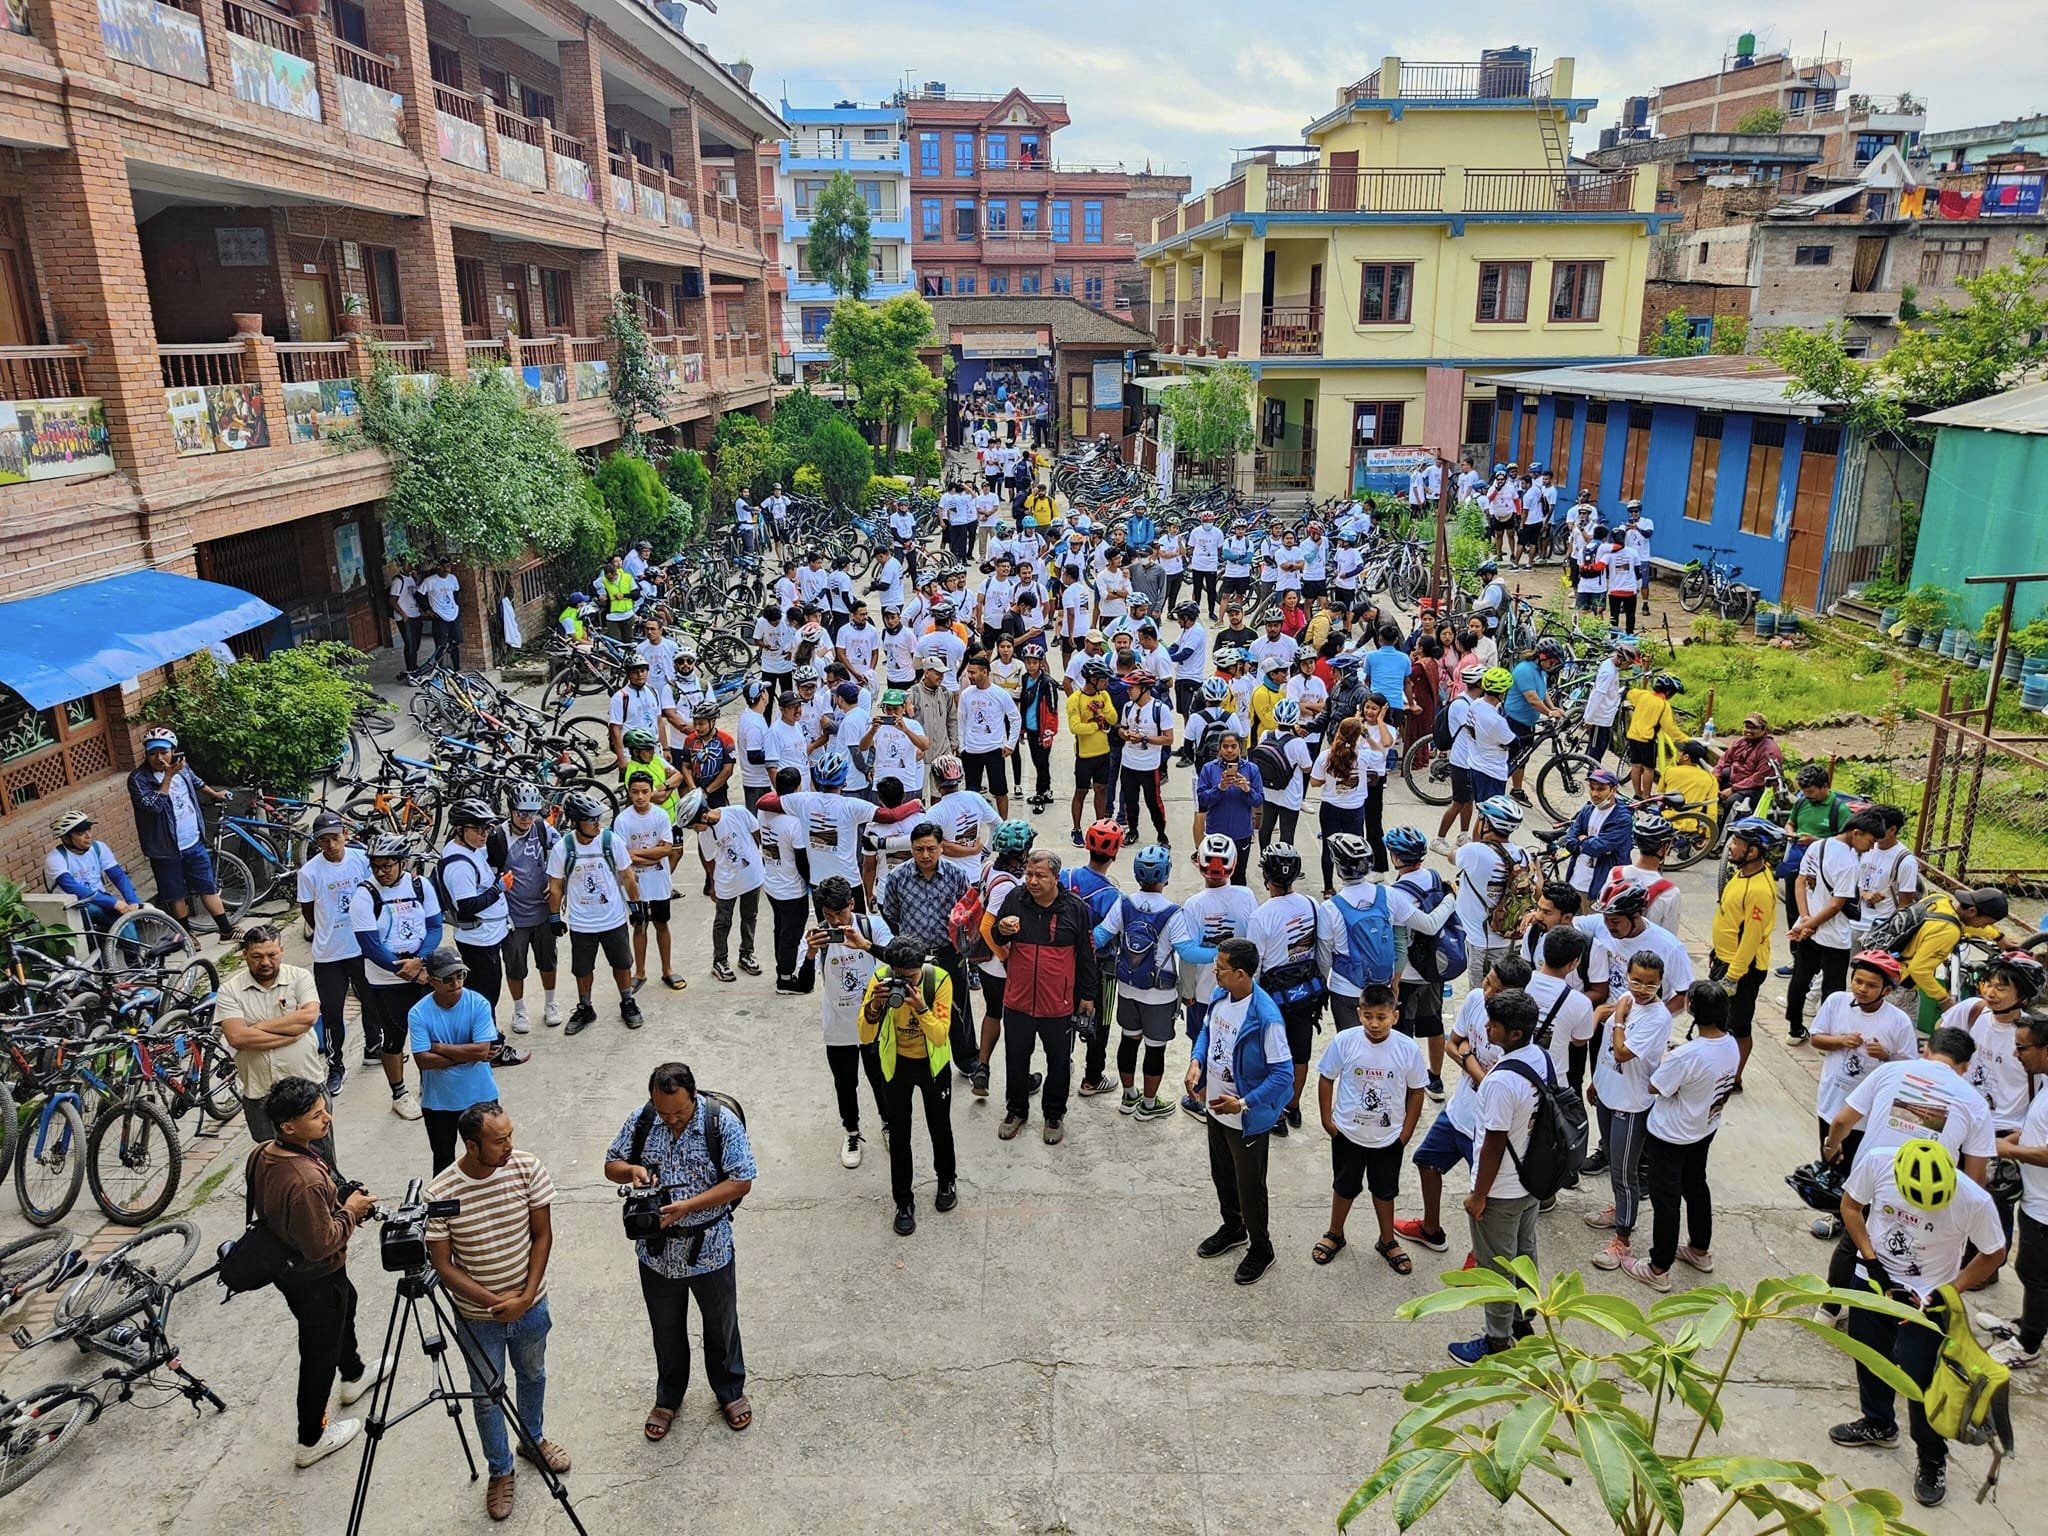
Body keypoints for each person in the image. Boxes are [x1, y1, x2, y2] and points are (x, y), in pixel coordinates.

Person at [1830, 1139, 2006, 1509]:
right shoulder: (1878, 1162)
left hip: (1926, 1301)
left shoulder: (1973, 1199)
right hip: (1874, 1282)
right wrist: (1870, 1257)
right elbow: (1850, 1206)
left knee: (1921, 1383)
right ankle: (1878, 1423)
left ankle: (1931, 1458)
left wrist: (1951, 1290)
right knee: (1869, 1355)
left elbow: (1994, 1253)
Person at [426, 1101, 566, 1519]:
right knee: (487, 1396)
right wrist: (494, 1303)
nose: (509, 1145)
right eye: (499, 1139)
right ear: (472, 1145)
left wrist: (523, 1298)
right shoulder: (441, 1192)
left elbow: (542, 1236)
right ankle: (500, 1469)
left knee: (533, 1374)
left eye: (510, 1135)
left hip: (531, 1306)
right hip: (476, 1319)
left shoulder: (526, 1168)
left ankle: (533, 1438)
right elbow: (441, 1263)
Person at [605, 1062, 757, 1440]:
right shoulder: (643, 1118)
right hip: (656, 1252)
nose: (670, 1119)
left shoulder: (720, 1123)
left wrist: (689, 1206)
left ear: (694, 1096)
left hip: (710, 1246)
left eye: (679, 1112)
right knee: (666, 1330)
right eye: (663, 1112)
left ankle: (729, 1391)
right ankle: (669, 1397)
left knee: (721, 1325)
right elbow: (611, 1164)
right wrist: (632, 1171)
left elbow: (741, 1181)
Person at [246, 1076, 388, 1467]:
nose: (327, 1118)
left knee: (348, 1305)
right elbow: (320, 1243)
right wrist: (351, 1211)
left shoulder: (266, 1152)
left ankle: (355, 1373)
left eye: (324, 1108)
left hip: (289, 1270)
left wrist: (338, 1199)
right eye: (315, 1115)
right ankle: (311, 1438)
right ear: (288, 1126)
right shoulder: (304, 1180)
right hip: (314, 1273)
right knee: (317, 1353)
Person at [1448, 986, 1551, 1363]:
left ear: (1515, 1034)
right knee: (1525, 1253)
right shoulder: (1539, 1058)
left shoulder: (1499, 1082)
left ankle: (1495, 1340)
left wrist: (1478, 1195)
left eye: (1494, 1025)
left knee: (1496, 1266)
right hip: (1531, 1180)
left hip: (1502, 1191)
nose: (1487, 1028)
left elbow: (1492, 1145)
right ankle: (1524, 1320)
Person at [1621, 979, 1737, 1292]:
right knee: (1696, 1185)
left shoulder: (1688, 1055)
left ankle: (1658, 1267)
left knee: (1666, 1198)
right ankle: (1699, 1249)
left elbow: (1655, 1086)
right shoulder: (1731, 1044)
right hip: (1704, 1129)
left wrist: (1667, 1058)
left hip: (1671, 1135)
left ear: (1691, 1010)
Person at [1187, 937, 1291, 1285]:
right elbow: (1205, 1032)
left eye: (1221, 969)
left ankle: (1262, 1247)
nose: (1214, 973)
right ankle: (1233, 1227)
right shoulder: (1220, 996)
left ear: (1242, 974)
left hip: (1244, 1117)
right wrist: (1195, 1062)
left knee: (1250, 1186)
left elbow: (1282, 1075)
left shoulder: (1266, 1018)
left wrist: (1243, 1103)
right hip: (1215, 1109)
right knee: (1222, 1174)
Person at [1314, 981, 1427, 1274]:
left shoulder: (1407, 1049)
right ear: (1359, 1013)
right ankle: (1334, 1233)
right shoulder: (1345, 1041)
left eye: (1381, 1017)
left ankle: (1387, 1240)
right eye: (1368, 1016)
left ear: (1395, 1016)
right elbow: (1326, 1077)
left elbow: (1417, 1091)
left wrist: (1406, 1133)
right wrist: (1328, 1120)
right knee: (1344, 1185)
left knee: (1385, 1190)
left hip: (1388, 1138)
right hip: (1348, 1134)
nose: (1374, 1024)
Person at [993, 849, 1100, 1145]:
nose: (1032, 881)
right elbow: (996, 934)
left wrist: (1088, 995)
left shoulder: (1075, 908)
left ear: (1056, 878)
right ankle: (1016, 1110)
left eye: (1040, 876)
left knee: (1058, 1061)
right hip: (1018, 1000)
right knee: (1015, 1058)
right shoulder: (1014, 899)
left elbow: (1086, 955)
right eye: (1029, 874)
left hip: (1058, 1004)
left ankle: (1054, 1115)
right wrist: (1001, 929)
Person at [858, 938, 959, 1235]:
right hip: (896, 1065)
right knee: (899, 1135)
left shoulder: (938, 980)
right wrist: (875, 1004)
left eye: (910, 977)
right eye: (898, 976)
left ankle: (946, 1180)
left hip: (932, 1066)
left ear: (921, 968)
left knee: (940, 1126)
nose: (903, 983)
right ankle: (903, 1202)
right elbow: (864, 1034)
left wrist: (921, 1007)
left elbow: (940, 1035)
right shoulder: (880, 980)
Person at [219, 926, 336, 1165]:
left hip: (308, 1089)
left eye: (272, 955)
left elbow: (308, 1018)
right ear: (245, 955)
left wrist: (257, 1028)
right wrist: (289, 1034)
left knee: (322, 1162)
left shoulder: (299, 977)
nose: (265, 962)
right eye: (257, 956)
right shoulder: (229, 990)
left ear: (281, 950)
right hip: (260, 1092)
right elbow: (237, 1038)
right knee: (274, 1165)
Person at [348, 833, 442, 1120]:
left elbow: (435, 926)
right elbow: (370, 945)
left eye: (387, 865)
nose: (380, 872)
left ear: (402, 863)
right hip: (386, 980)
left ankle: (430, 1083)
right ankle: (399, 1092)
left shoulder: (421, 886)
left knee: (428, 1033)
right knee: (394, 1037)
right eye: (375, 866)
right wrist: (408, 971)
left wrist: (421, 960)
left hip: (421, 971)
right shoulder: (364, 895)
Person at [1091, 843, 1182, 1118]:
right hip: (1160, 994)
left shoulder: (1124, 903)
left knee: (1128, 1041)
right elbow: (1188, 952)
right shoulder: (1174, 912)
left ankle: (1129, 1097)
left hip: (1127, 988)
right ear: (1166, 875)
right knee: (1155, 1049)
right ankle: (1150, 1105)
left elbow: (1099, 937)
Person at [805, 877, 890, 1169]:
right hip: (838, 1028)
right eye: (829, 916)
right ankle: (852, 1133)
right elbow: (802, 985)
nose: (836, 922)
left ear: (851, 904)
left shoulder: (872, 927)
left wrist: (864, 945)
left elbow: (896, 958)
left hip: (873, 1022)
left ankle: (888, 1124)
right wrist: (810, 953)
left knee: (881, 1080)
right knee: (845, 1083)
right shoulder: (820, 936)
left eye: (840, 914)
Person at [126, 728, 237, 939]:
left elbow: (196, 781)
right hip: (164, 849)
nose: (159, 758)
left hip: (192, 841)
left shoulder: (183, 769)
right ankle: (187, 936)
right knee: (176, 894)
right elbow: (153, 806)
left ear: (173, 751)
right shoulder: (139, 779)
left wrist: (214, 794)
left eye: (163, 752)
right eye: (152, 753)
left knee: (208, 887)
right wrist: (168, 776)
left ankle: (226, 931)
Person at [1788, 810, 1883, 1043]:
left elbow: (1800, 882)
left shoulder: (1817, 846)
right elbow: (1836, 905)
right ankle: (1827, 1036)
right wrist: (1809, 924)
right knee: (1834, 990)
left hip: (1809, 930)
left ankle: (1794, 1028)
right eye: (1870, 842)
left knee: (1800, 979)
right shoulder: (1850, 864)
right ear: (1856, 833)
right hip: (1833, 935)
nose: (1870, 848)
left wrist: (1804, 920)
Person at [1988, 1014, 2048, 1367]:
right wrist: (2015, 1138)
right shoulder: (2042, 1081)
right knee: (2032, 1272)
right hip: (2035, 1197)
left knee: (2036, 1275)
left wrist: (2009, 1150)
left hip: (2045, 1207)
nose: (2016, 1054)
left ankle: (2027, 1346)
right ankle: (2028, 1324)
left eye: (2022, 1047)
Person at [294, 811, 370, 1091]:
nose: (331, 845)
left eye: (335, 838)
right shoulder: (309, 872)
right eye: (324, 841)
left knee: (372, 999)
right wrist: (326, 930)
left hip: (361, 945)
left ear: (345, 836)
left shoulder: (361, 861)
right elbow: (308, 910)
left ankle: (374, 1047)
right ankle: (336, 1064)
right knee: (332, 1012)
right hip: (329, 954)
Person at [407, 949, 502, 1173]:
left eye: (460, 976)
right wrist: (468, 1055)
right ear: (431, 981)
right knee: (443, 1160)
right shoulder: (418, 1013)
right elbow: (423, 1060)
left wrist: (440, 1048)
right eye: (448, 978)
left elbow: (481, 1050)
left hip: (481, 1095)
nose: (456, 983)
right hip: (439, 1102)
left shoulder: (478, 1003)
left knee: (491, 1156)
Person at [1709, 817, 1782, 1089]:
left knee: (1738, 1026)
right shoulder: (1742, 873)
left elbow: (1750, 939)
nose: (1731, 846)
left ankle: (1733, 1078)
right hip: (1725, 959)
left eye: (1738, 842)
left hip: (1742, 968)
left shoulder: (1760, 889)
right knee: (1720, 1020)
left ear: (1753, 851)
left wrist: (1732, 976)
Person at [679, 791, 765, 986]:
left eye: (694, 825)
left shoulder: (737, 812)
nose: (695, 830)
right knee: (722, 921)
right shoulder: (705, 835)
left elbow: (756, 833)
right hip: (727, 882)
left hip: (752, 876)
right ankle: (720, 960)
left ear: (704, 816)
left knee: (750, 915)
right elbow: (709, 860)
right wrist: (712, 883)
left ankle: (746, 954)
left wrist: (760, 858)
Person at [496, 786, 563, 1032]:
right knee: (515, 966)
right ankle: (519, 1009)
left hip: (543, 912)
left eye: (531, 813)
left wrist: (557, 883)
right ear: (511, 811)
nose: (526, 818)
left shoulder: (543, 829)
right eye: (521, 813)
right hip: (514, 917)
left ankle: (550, 1003)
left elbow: (564, 853)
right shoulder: (498, 838)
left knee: (548, 961)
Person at [438, 798, 512, 1016]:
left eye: (487, 828)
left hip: (488, 937)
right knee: (485, 998)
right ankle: (490, 1046)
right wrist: (499, 888)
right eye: (478, 828)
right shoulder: (459, 866)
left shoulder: (473, 848)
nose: (485, 834)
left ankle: (489, 1043)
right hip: (478, 943)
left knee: (488, 996)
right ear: (460, 830)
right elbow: (467, 906)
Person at [1901, 887, 2008, 1033]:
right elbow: (1918, 970)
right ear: (1972, 911)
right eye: (1986, 922)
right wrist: (1943, 999)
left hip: (1885, 965)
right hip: (1900, 985)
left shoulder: (1940, 900)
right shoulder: (1949, 932)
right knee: (1901, 1035)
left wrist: (1997, 936)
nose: (1984, 926)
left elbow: (1965, 925)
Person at [617, 771, 684, 994]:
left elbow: (667, 849)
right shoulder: (623, 820)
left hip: (659, 882)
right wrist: (651, 854)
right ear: (629, 792)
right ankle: (640, 972)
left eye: (645, 791)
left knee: (662, 924)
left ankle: (667, 969)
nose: (640, 797)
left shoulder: (660, 816)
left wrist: (635, 855)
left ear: (651, 791)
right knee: (639, 925)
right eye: (635, 792)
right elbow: (622, 856)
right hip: (635, 885)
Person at [42, 812, 141, 929]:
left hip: (100, 899)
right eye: (81, 833)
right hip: (74, 906)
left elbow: (118, 876)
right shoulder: (55, 859)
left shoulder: (98, 848)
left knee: (126, 922)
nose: (88, 836)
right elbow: (72, 887)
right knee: (108, 914)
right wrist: (112, 902)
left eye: (88, 830)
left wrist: (132, 900)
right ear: (66, 838)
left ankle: (131, 947)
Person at [1557, 768, 1633, 896]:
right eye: (1592, 788)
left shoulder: (1622, 818)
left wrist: (1583, 840)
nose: (1595, 794)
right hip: (1575, 881)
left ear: (1613, 790)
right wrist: (1586, 843)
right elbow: (1570, 840)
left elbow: (1598, 847)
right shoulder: (1587, 810)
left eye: (1601, 789)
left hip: (1601, 888)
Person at [1066, 660, 1119, 840]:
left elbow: (1113, 718)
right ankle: (1076, 828)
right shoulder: (1075, 699)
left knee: (1101, 789)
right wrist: (1095, 725)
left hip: (1103, 752)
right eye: (1104, 679)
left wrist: (1102, 711)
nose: (1106, 683)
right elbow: (1075, 727)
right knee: (1081, 791)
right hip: (1084, 755)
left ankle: (1100, 825)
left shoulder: (1104, 696)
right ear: (1093, 679)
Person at [1621, 672, 1685, 800]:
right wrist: (1685, 739)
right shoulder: (1663, 705)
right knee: (1648, 769)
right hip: (1647, 740)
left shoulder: (1643, 695)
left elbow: (1629, 693)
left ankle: (1637, 793)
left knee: (1635, 766)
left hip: (1633, 737)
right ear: (1669, 692)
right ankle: (1646, 796)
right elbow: (1669, 728)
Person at [1716, 713, 1783, 818]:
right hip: (1737, 780)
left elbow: (1758, 779)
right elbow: (1724, 760)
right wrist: (1714, 777)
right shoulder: (1740, 742)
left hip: (1756, 789)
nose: (1748, 731)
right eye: (1747, 727)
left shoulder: (1769, 751)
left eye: (1754, 728)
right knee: (1707, 784)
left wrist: (1733, 789)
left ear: (1763, 729)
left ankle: (1724, 828)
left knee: (1732, 801)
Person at [421, 559, 463, 669]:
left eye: (448, 566)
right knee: (440, 645)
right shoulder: (430, 581)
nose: (446, 569)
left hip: (453, 614)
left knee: (455, 643)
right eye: (443, 567)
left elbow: (456, 593)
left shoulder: (453, 578)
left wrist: (455, 606)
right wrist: (427, 610)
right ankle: (439, 669)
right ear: (437, 568)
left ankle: (456, 669)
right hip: (439, 615)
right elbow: (419, 595)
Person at [390, 562, 425, 674]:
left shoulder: (412, 578)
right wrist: (403, 614)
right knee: (410, 644)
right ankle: (411, 670)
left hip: (415, 613)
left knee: (416, 643)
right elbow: (392, 600)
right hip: (405, 617)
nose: (410, 566)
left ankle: (414, 666)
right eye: (408, 564)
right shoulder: (398, 581)